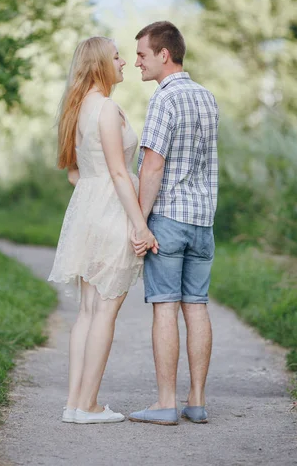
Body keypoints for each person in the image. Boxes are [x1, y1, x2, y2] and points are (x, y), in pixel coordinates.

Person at [48, 36, 157, 424]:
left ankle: (74, 404)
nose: (124, 61)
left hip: (85, 211)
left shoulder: (76, 110)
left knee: (87, 312)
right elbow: (116, 171)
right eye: (116, 57)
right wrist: (139, 224)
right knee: (105, 311)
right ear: (99, 65)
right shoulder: (107, 109)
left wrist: (97, 200)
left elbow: (76, 175)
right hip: (112, 211)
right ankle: (89, 405)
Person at [129, 21, 219, 426]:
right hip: (203, 221)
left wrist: (140, 222)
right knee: (196, 307)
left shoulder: (164, 100)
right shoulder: (207, 97)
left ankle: (166, 403)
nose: (137, 63)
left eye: (142, 55)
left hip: (168, 218)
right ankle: (196, 401)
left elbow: (153, 165)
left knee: (164, 308)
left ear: (164, 55)